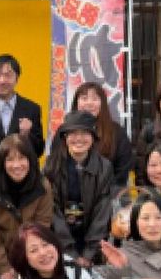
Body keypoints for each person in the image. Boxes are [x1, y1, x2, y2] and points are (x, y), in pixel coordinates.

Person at [0, 134, 53, 279]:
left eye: (22, 158)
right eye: (10, 159)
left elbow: (42, 226)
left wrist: (24, 261)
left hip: (28, 256)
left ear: (30, 159)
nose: (16, 165)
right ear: (1, 162)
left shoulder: (43, 186)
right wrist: (3, 266)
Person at [43, 111, 113, 266]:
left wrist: (89, 253)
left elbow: (102, 211)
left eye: (85, 133)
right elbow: (51, 210)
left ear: (93, 137)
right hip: (59, 241)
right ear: (65, 137)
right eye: (73, 133)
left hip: (92, 242)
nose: (79, 139)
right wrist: (70, 252)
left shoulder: (105, 167)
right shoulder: (51, 165)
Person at [0, 225, 101, 279]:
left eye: (45, 244)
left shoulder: (77, 273)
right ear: (24, 258)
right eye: (34, 250)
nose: (43, 253)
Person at [71, 82, 133, 187]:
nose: (89, 103)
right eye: (84, 98)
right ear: (76, 103)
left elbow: (122, 170)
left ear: (102, 103)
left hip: (109, 192)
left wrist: (104, 191)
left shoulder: (117, 132)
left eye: (95, 99)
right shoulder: (65, 131)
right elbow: (57, 164)